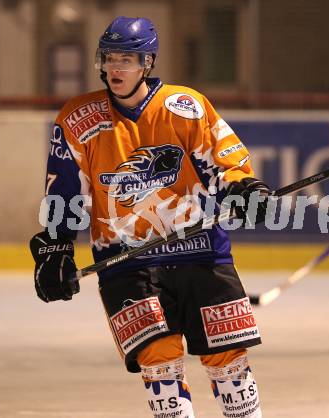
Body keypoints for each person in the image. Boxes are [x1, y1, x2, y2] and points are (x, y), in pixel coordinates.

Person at [29, 16, 267, 417]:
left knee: (229, 364)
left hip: (201, 251)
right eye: (109, 58)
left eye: (127, 58)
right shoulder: (76, 118)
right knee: (159, 366)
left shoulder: (185, 106)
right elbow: (65, 193)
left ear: (148, 63)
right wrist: (56, 247)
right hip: (126, 262)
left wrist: (243, 187)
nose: (115, 68)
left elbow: (224, 162)